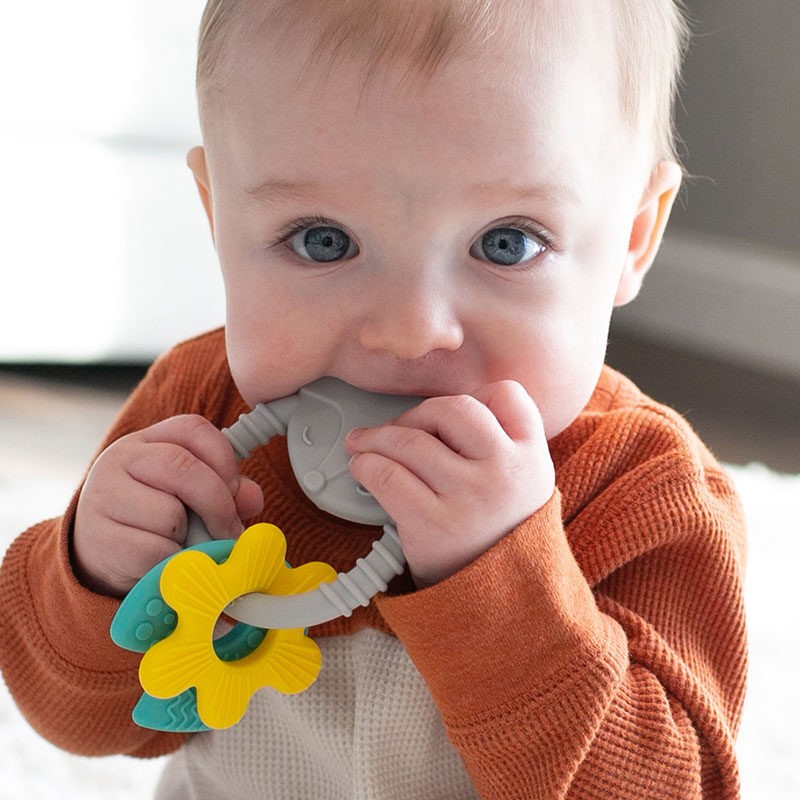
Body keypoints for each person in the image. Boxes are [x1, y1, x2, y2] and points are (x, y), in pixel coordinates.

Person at [0, 1, 748, 798]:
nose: (410, 330)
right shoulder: (201, 419)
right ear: (218, 215)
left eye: (507, 243)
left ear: (633, 236)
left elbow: (675, 787)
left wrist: (501, 580)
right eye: (323, 239)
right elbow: (75, 718)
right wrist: (96, 573)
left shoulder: (646, 490)